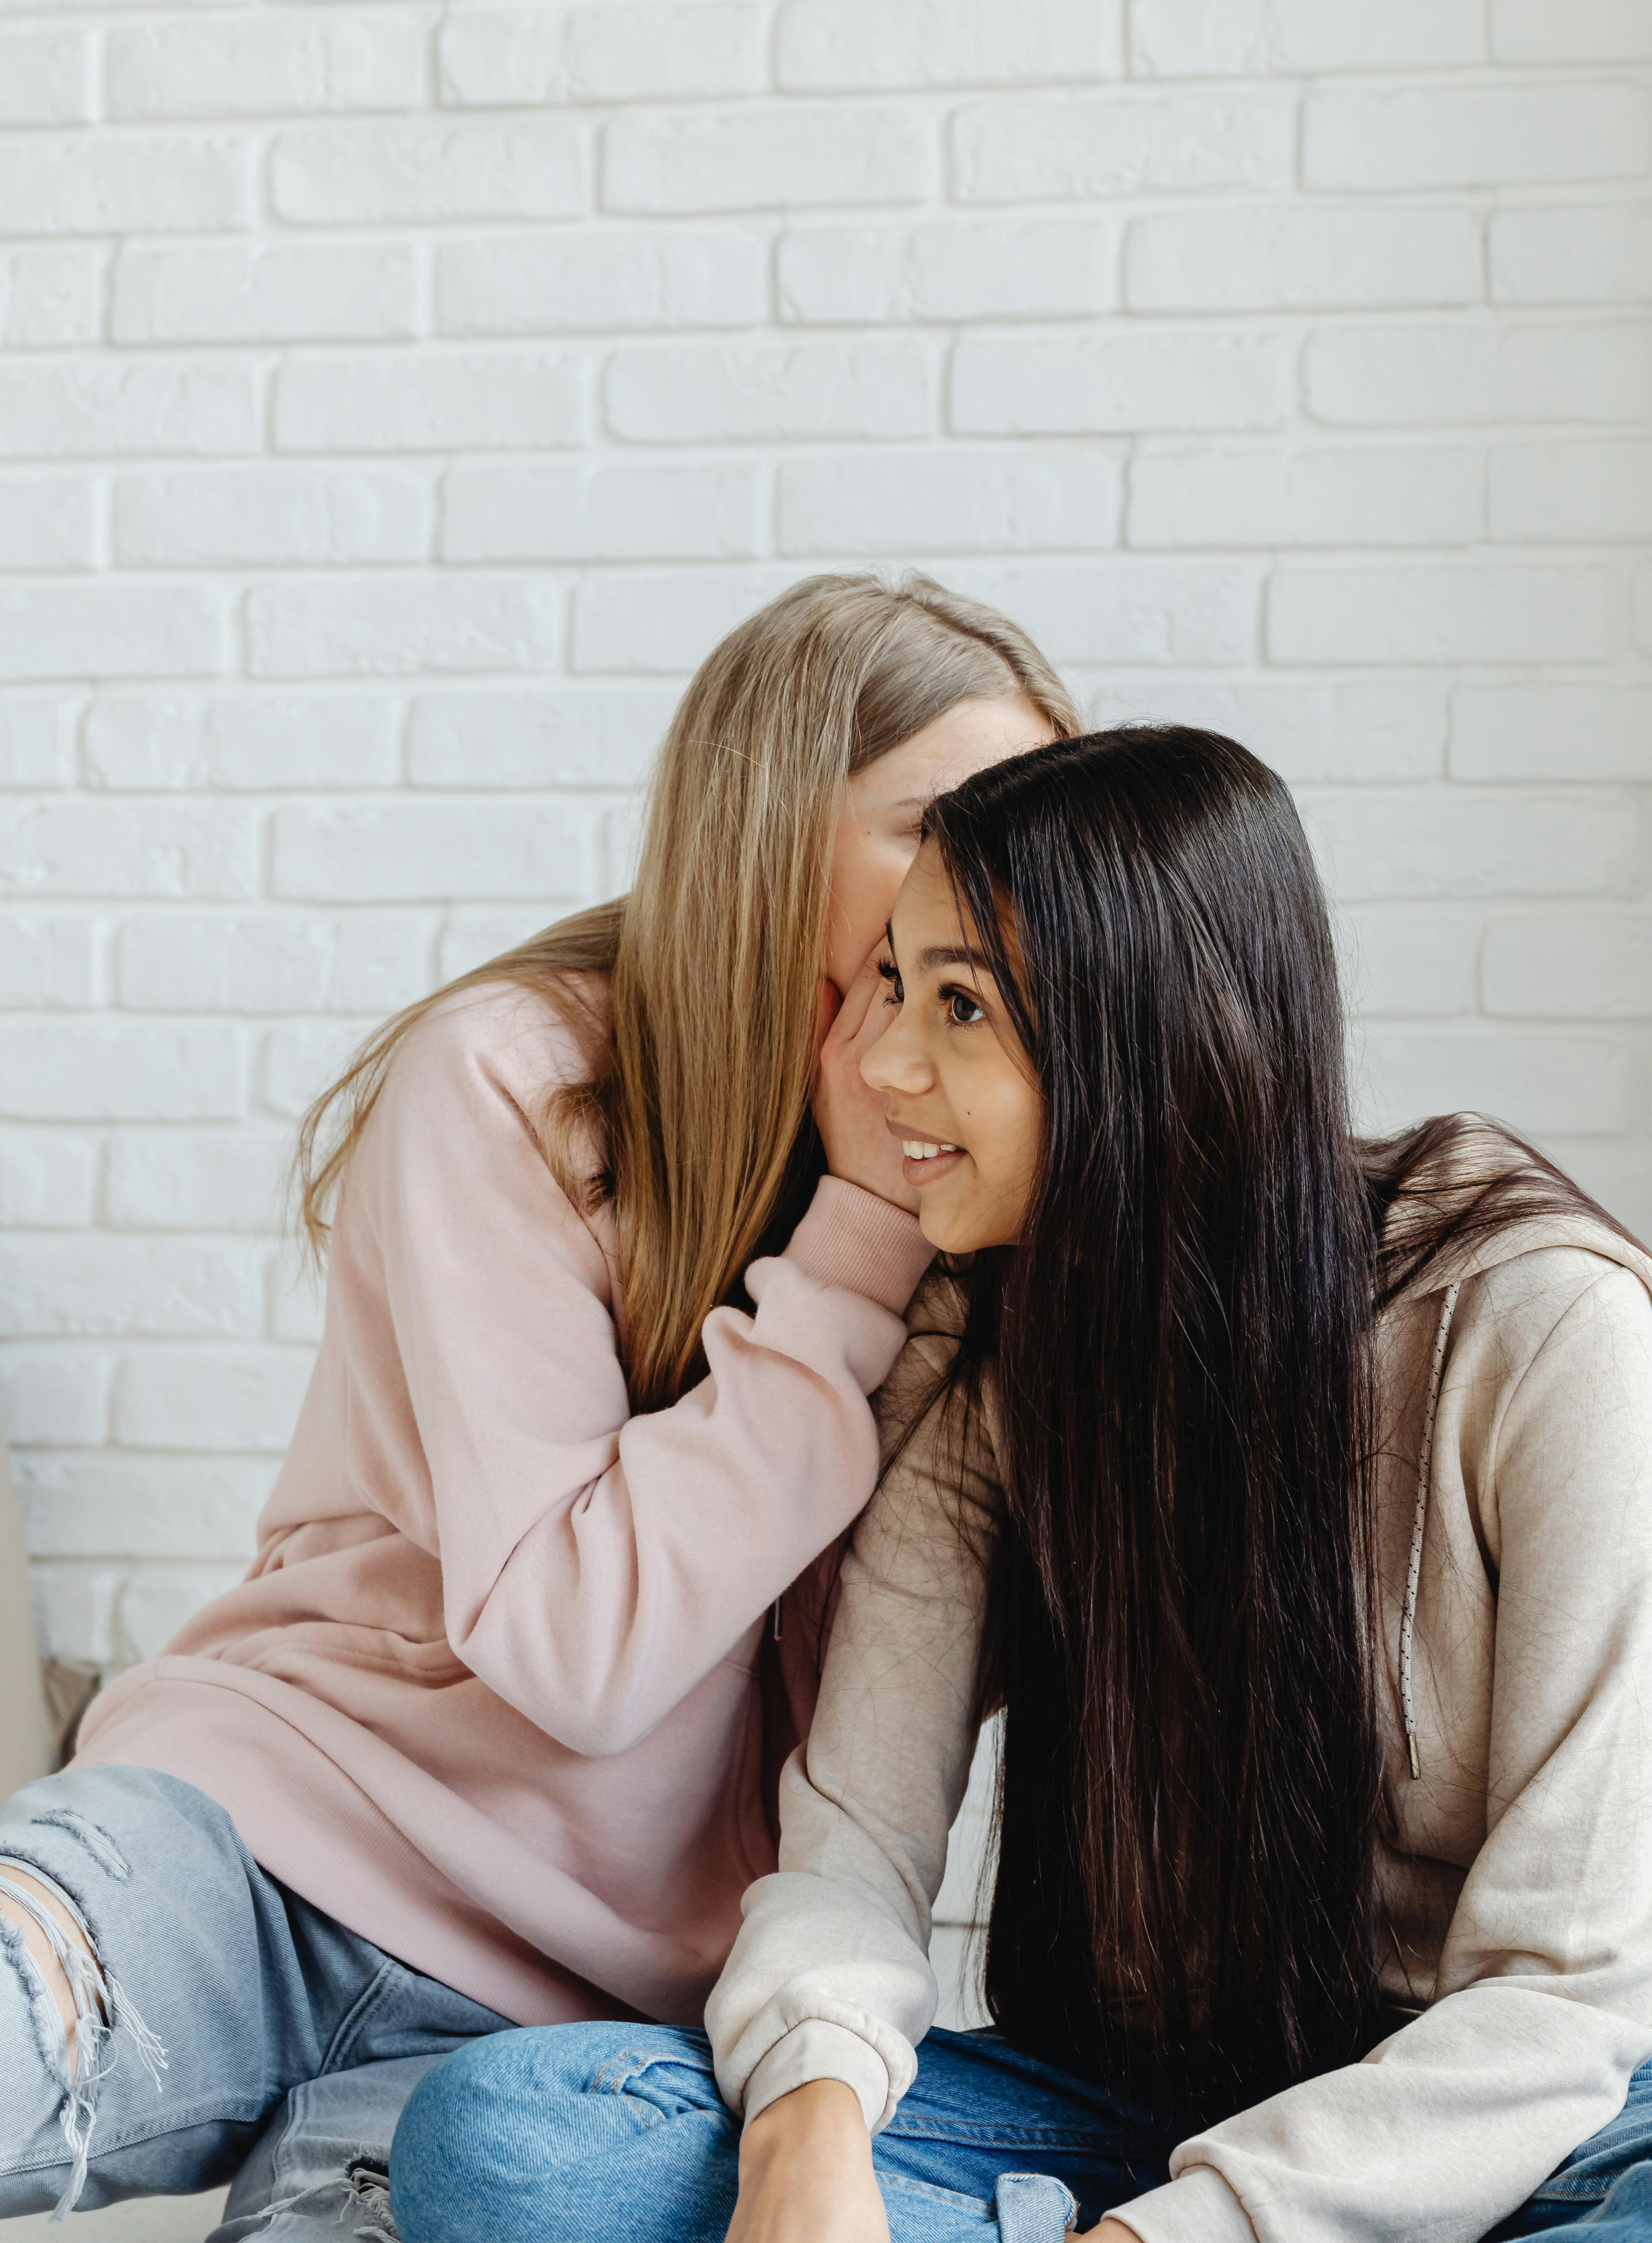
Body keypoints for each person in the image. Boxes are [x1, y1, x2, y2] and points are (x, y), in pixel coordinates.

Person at [390, 725, 1652, 2243]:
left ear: (1160, 1026)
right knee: (519, 2138)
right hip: (1141, 2105)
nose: (876, 1066)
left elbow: (1566, 2004)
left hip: (1523, 2127)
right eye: (892, 989)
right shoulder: (992, 1352)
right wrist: (807, 2150)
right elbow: (853, 1846)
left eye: (962, 1004)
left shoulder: (1543, 1330)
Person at [0, 575, 1075, 2234]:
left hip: (563, 2036)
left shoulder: (978, 1210)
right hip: (254, 1849)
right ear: (774, 825)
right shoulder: (515, 1077)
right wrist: (853, 1248)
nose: (999, 882)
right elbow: (580, 1654)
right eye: (948, 820)